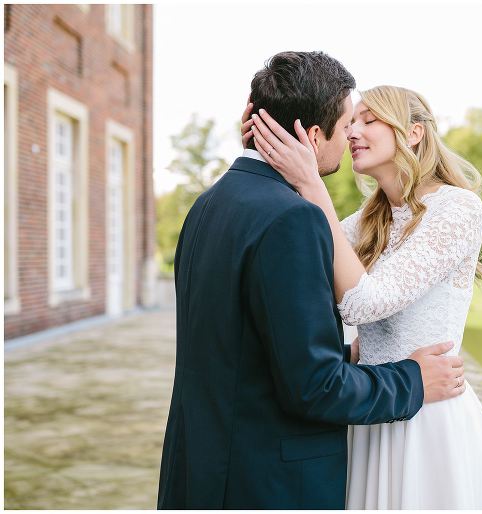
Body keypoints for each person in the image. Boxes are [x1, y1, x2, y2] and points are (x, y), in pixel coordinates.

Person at [157, 52, 466, 510]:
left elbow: (243, 347)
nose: (351, 138)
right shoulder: (292, 219)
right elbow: (315, 387)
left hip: (200, 471)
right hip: (267, 484)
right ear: (313, 135)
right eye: (346, 127)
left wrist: (346, 353)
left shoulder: (208, 206)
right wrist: (414, 380)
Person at [242, 84, 482, 508]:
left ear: (414, 133)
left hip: (428, 419)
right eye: (351, 121)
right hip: (370, 414)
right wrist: (263, 148)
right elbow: (303, 256)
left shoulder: (458, 208)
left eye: (369, 120)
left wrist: (314, 185)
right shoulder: (365, 221)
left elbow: (364, 302)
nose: (352, 130)